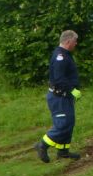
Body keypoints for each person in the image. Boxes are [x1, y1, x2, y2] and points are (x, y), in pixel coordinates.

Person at [35, 30, 82, 162]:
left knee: (69, 123)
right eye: (75, 41)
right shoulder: (60, 56)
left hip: (65, 96)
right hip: (59, 97)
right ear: (68, 41)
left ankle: (63, 151)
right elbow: (59, 78)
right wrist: (72, 90)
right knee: (63, 124)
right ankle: (42, 145)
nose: (76, 43)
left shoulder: (66, 54)